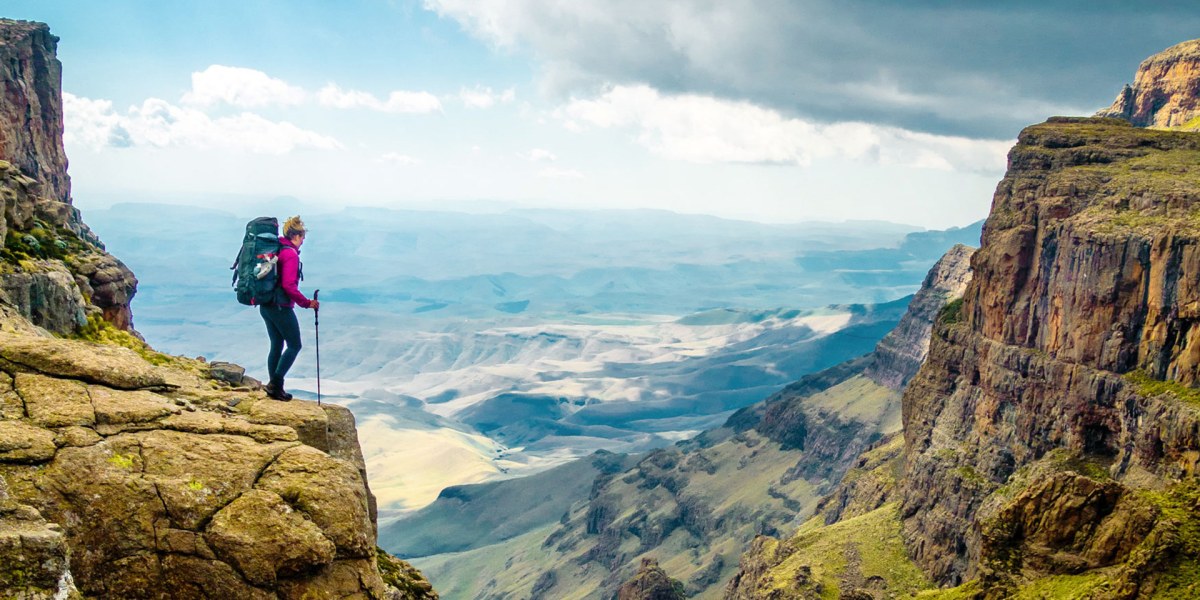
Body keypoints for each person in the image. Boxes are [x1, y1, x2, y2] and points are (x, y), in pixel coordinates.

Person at [260, 215, 319, 400]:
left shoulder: (277, 248)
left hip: (266, 305)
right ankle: (276, 383)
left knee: (277, 344)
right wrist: (307, 303)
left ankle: (274, 388)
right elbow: (288, 285)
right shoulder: (290, 254)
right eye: (302, 238)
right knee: (294, 345)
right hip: (281, 307)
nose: (302, 242)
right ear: (296, 236)